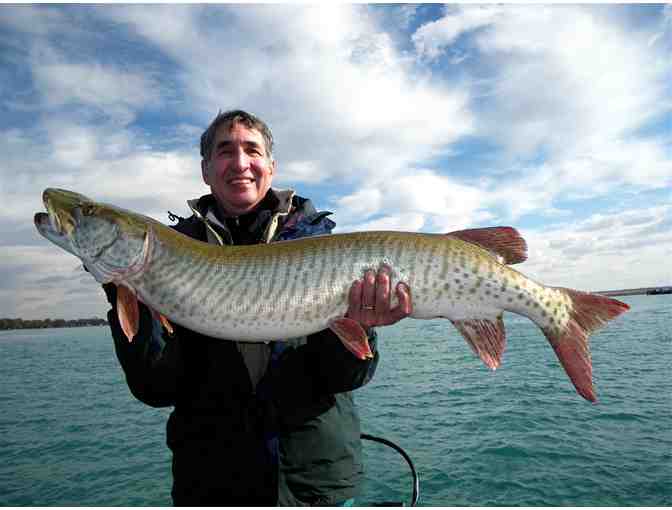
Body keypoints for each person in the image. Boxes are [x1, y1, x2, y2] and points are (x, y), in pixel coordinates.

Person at [105, 109, 413, 506]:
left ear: (270, 166)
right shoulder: (168, 254)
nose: (240, 163)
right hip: (212, 488)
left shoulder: (318, 241)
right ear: (205, 170)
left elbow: (346, 377)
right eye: (225, 151)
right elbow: (155, 388)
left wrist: (361, 325)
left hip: (313, 487)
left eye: (252, 150)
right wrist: (125, 294)